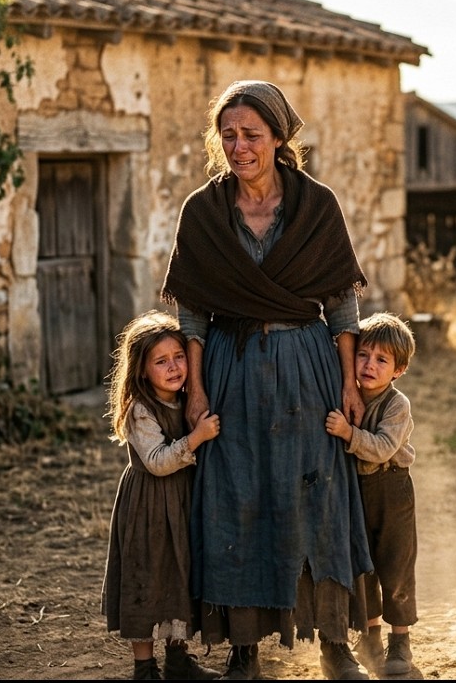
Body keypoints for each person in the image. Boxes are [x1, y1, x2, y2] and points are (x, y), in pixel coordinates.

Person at [159, 80, 374, 680]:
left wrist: (349, 381)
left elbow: (340, 302)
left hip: (308, 366)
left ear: (279, 139)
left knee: (320, 497)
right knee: (237, 497)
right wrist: (197, 389)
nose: (238, 146)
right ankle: (245, 648)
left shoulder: (316, 206)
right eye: (227, 135)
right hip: (232, 367)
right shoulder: (204, 212)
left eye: (251, 134)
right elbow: (193, 314)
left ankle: (335, 642)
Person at [100, 310, 223, 680]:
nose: (173, 367)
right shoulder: (141, 408)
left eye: (179, 357)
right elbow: (156, 461)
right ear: (141, 370)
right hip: (148, 508)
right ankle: (144, 666)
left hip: (181, 505)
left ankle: (177, 658)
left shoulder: (188, 400)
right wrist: (196, 438)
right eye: (161, 361)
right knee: (147, 577)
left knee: (178, 575)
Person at [325, 312, 419, 677]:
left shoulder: (397, 405)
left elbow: (381, 448)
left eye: (382, 360)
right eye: (363, 355)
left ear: (398, 370)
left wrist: (349, 433)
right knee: (363, 565)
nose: (369, 365)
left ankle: (401, 640)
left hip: (392, 489)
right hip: (357, 491)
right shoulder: (347, 395)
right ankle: (371, 637)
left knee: (395, 565)